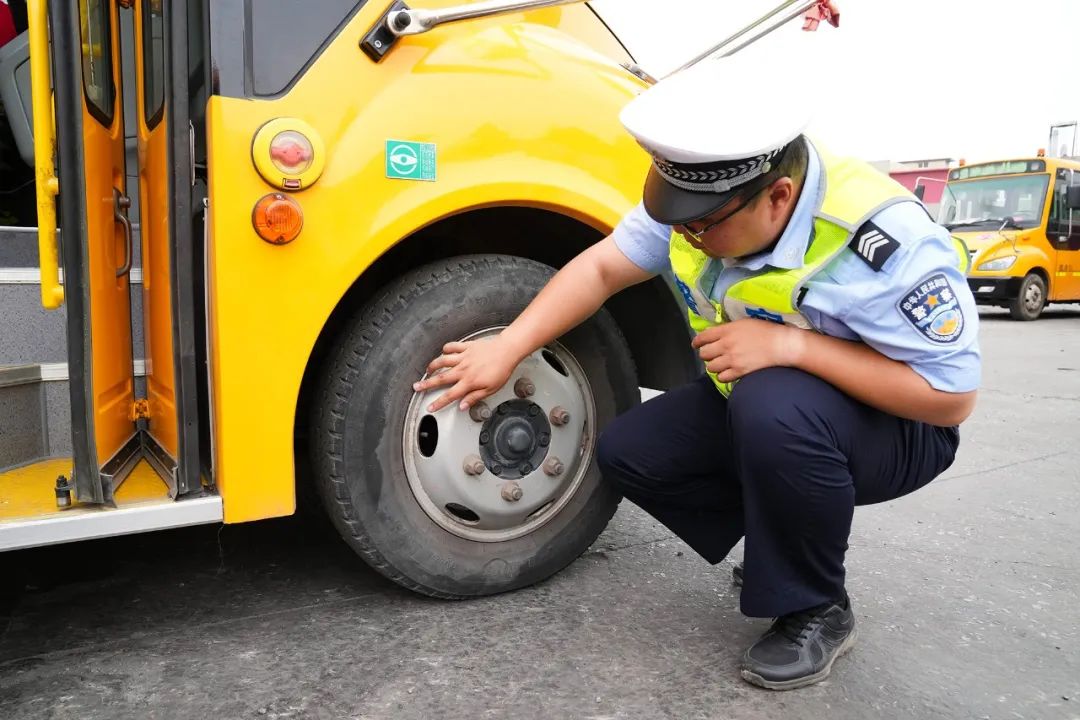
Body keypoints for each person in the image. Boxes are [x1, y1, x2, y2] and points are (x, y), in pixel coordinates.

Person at [413, 55, 980, 690]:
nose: (685, 235)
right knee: (630, 451)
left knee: (774, 404)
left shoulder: (879, 240)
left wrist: (791, 347)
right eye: (676, 218)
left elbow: (950, 399)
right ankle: (785, 537)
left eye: (701, 224)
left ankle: (818, 607)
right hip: (766, 406)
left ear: (779, 198)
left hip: (896, 426)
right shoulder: (707, 203)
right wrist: (509, 346)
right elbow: (600, 268)